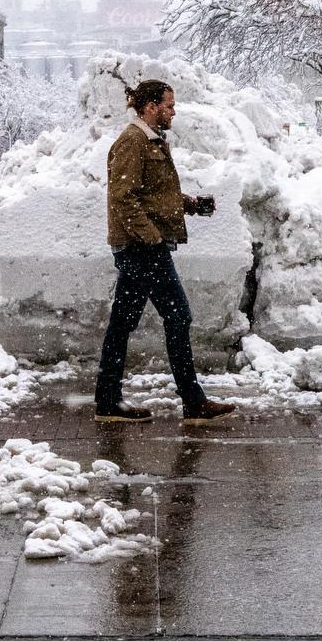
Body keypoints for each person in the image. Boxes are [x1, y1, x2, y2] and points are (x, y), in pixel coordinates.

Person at [94, 79, 237, 425]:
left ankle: (108, 400)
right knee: (178, 316)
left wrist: (191, 204)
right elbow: (123, 199)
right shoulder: (133, 141)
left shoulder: (150, 141)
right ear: (149, 107)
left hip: (140, 247)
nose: (174, 111)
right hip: (142, 249)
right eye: (169, 105)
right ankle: (192, 401)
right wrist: (152, 238)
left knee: (122, 322)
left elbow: (152, 195)